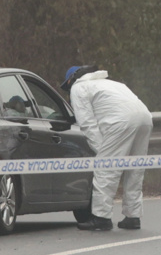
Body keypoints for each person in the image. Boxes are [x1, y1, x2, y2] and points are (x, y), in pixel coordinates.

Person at [62, 66, 153, 231]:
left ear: (71, 80)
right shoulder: (112, 83)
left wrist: (102, 153)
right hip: (145, 118)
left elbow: (87, 123)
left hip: (121, 121)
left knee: (105, 170)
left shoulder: (78, 87)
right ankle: (133, 217)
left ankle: (101, 218)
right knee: (135, 169)